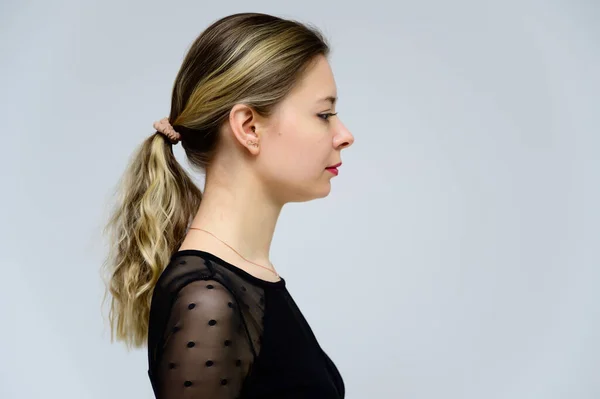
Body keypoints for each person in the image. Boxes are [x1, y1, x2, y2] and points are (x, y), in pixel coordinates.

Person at [101, 12, 354, 398]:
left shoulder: (247, 279)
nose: (344, 135)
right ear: (249, 127)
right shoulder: (208, 299)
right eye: (324, 114)